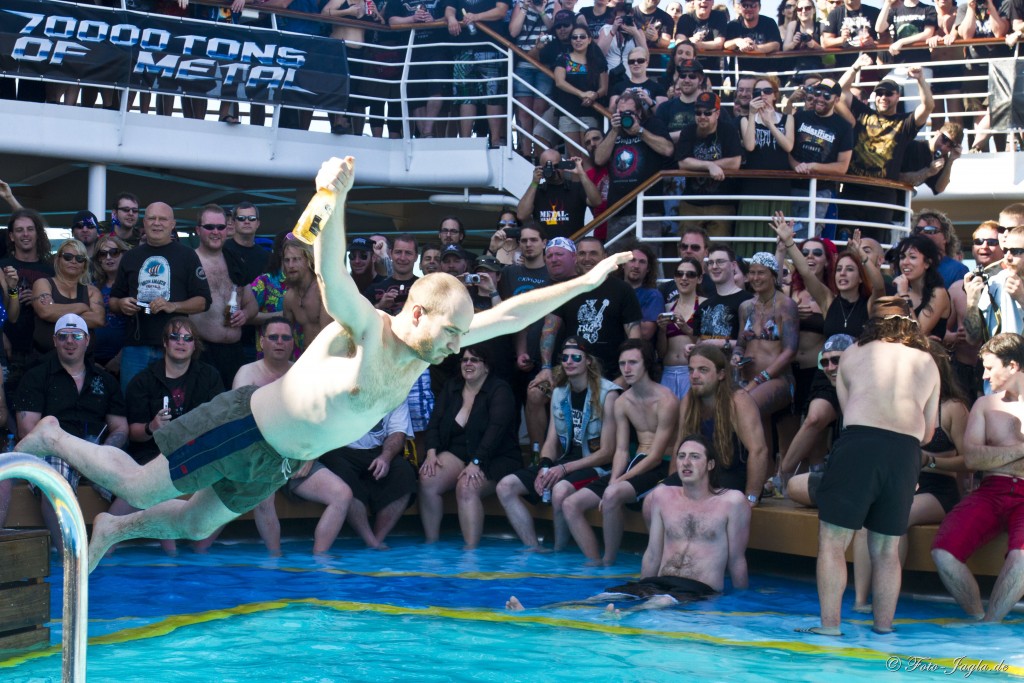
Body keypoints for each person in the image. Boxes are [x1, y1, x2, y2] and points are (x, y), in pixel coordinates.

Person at [16, 157, 631, 571]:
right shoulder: (369, 329)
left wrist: (586, 279)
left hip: (281, 457)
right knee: (137, 485)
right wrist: (335, 201)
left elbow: (517, 313)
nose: (455, 348)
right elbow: (333, 275)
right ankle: (53, 437)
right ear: (417, 315)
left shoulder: (427, 349)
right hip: (246, 426)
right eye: (449, 333)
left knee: (198, 517)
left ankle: (115, 534)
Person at [806, 296, 939, 637]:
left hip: (860, 444)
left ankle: (830, 627)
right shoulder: (928, 361)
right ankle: (883, 628)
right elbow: (928, 432)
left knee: (834, 542)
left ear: (871, 324)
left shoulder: (853, 354)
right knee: (886, 548)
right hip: (905, 452)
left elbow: (848, 413)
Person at [506, 433, 749, 611]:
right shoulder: (663, 496)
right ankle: (536, 612)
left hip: (700, 590)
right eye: (682, 456)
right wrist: (641, 588)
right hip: (659, 583)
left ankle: (623, 616)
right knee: (599, 598)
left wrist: (741, 603)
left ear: (710, 464)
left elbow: (737, 558)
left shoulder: (731, 502)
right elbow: (653, 552)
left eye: (694, 457)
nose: (686, 463)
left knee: (659, 603)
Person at [851, 338, 968, 613]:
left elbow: (971, 462)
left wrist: (932, 462)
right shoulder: (900, 403)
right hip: (900, 482)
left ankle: (885, 597)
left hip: (938, 488)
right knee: (864, 521)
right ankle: (859, 601)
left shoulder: (952, 408)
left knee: (895, 516)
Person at [15, 313, 128, 552]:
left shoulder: (105, 381)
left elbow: (120, 428)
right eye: (63, 336)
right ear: (54, 340)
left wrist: (106, 450)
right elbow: (28, 430)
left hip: (95, 452)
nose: (70, 341)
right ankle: (70, 557)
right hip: (54, 452)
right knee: (54, 486)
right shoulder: (36, 377)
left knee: (136, 487)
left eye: (77, 335)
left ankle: (104, 550)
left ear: (87, 341)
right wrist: (66, 448)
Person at [932, 333, 1024, 622]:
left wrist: (996, 454)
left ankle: (991, 625)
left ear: (1012, 366)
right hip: (990, 489)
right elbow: (972, 459)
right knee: (943, 552)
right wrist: (1020, 450)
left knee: (1022, 558)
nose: (983, 374)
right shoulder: (984, 405)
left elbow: (983, 455)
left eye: (989, 367)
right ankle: (977, 617)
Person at [496, 337, 620, 550]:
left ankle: (558, 553)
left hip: (597, 467)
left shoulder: (608, 394)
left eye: (576, 357)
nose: (569, 361)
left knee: (560, 489)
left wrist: (562, 469)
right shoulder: (560, 393)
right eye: (565, 357)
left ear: (588, 361)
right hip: (565, 463)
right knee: (505, 486)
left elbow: (608, 453)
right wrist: (545, 466)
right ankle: (534, 549)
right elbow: (552, 440)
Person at [115, 316, 224, 556]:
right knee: (153, 478)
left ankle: (197, 552)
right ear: (165, 342)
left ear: (195, 345)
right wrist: (151, 427)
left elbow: (220, 424)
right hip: (153, 455)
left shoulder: (209, 377)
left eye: (188, 338)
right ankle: (108, 541)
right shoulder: (143, 381)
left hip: (197, 455)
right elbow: (134, 433)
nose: (181, 342)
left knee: (236, 479)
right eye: (175, 337)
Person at [562, 340, 678, 565]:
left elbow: (656, 454)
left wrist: (618, 483)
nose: (627, 369)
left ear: (646, 364)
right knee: (570, 504)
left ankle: (608, 560)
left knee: (612, 494)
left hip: (660, 463)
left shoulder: (666, 400)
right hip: (634, 461)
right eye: (623, 364)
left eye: (633, 363)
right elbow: (622, 449)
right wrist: (614, 478)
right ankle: (594, 561)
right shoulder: (622, 401)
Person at [418, 346, 522, 549]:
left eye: (474, 360)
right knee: (427, 478)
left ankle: (471, 551)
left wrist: (477, 462)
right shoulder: (452, 387)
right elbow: (435, 422)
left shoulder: (500, 390)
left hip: (495, 457)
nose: (468, 364)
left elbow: (495, 432)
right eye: (464, 360)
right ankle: (431, 544)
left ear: (486, 367)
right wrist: (431, 452)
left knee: (466, 486)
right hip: (459, 453)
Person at [109, 201, 212, 391]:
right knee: (132, 404)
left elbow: (204, 301)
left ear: (172, 224)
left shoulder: (187, 255)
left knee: (173, 406)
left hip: (175, 346)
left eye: (162, 219)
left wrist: (173, 306)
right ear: (144, 223)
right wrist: (122, 303)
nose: (157, 223)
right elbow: (113, 300)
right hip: (135, 346)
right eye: (152, 218)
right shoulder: (130, 256)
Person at [837, 57, 934, 237]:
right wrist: (855, 66)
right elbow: (839, 90)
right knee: (846, 244)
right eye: (879, 93)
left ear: (897, 96)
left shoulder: (904, 123)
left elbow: (928, 106)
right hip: (853, 191)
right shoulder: (863, 112)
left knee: (874, 246)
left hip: (882, 195)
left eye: (888, 93)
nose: (883, 97)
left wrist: (920, 79)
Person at [673, 344, 770, 501]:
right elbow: (679, 445)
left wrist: (751, 498)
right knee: (658, 496)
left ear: (721, 374)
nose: (694, 375)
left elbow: (758, 451)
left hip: (732, 475)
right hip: (699, 473)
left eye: (703, 370)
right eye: (691, 370)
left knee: (704, 500)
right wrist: (673, 488)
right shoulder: (688, 400)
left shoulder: (738, 400)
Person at [318, 402, 418, 550]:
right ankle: (370, 540)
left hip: (379, 449)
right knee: (341, 475)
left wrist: (386, 457)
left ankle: (378, 538)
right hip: (340, 448)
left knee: (404, 474)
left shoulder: (395, 390)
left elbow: (398, 433)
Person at [593, 92, 675, 241]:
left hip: (648, 208)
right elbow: (599, 159)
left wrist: (640, 131)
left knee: (647, 258)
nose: (624, 116)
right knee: (616, 260)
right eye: (620, 112)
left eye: (629, 113)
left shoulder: (653, 124)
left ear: (638, 112)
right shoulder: (614, 130)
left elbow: (668, 150)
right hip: (617, 208)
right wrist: (614, 131)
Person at [781, 333, 854, 498]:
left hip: (865, 476)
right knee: (795, 487)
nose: (829, 367)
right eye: (824, 362)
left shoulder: (870, 393)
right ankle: (783, 475)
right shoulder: (839, 392)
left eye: (836, 360)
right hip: (843, 477)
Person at [733, 252, 799, 424]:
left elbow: (790, 351)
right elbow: (741, 344)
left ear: (773, 275)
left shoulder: (785, 305)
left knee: (747, 406)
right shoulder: (745, 307)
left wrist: (757, 381)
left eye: (761, 272)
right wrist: (736, 356)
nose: (755, 277)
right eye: (752, 273)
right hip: (746, 379)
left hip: (778, 379)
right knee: (758, 431)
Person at [788, 78, 853, 239]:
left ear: (836, 100)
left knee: (807, 239)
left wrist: (813, 166)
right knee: (785, 235)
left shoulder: (844, 127)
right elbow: (786, 147)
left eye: (826, 96)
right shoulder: (800, 117)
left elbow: (842, 167)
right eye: (818, 93)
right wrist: (796, 165)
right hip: (791, 186)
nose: (820, 98)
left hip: (820, 191)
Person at [736, 74, 794, 255]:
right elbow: (750, 146)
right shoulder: (745, 119)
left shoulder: (787, 118)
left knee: (776, 238)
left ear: (775, 95)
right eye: (758, 92)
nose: (763, 95)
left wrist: (770, 123)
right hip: (753, 187)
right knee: (751, 237)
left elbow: (788, 145)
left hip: (779, 187)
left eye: (767, 91)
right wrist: (753, 115)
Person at [674, 92, 742, 238]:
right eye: (698, 112)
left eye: (707, 112)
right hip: (691, 202)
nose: (702, 116)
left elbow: (735, 162)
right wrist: (709, 166)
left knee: (720, 250)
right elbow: (682, 162)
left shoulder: (728, 130)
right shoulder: (688, 130)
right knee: (687, 249)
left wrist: (706, 165)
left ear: (717, 114)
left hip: (721, 203)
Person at [1, 209, 54, 392]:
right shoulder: (2, 266)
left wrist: (39, 299)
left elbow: (61, 306)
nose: (25, 234)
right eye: (20, 230)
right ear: (11, 236)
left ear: (37, 234)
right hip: (9, 348)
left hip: (43, 350)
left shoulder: (51, 270)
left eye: (30, 229)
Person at [31, 239, 105, 354]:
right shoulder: (43, 283)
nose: (74, 261)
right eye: (68, 257)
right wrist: (82, 307)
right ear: (58, 259)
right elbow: (46, 312)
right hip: (45, 361)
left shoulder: (92, 291)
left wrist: (56, 310)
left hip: (83, 361)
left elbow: (98, 319)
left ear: (84, 264)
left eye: (79, 258)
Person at [516, 150, 601, 239]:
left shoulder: (576, 188)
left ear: (562, 165)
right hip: (546, 249)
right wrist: (534, 182)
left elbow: (597, 201)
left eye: (556, 166)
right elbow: (522, 215)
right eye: (548, 167)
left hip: (573, 247)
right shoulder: (536, 191)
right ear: (541, 168)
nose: (553, 170)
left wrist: (581, 173)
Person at [657, 256, 706, 399]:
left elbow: (709, 344)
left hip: (693, 372)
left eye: (690, 274)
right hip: (668, 372)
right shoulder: (667, 308)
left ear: (699, 279)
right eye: (680, 274)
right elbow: (661, 353)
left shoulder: (705, 305)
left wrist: (687, 329)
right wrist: (661, 331)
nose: (684, 278)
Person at [552, 26, 609, 148]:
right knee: (573, 155)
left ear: (589, 40)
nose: (578, 40)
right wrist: (581, 94)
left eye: (582, 37)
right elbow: (559, 82)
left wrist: (595, 95)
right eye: (574, 37)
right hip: (568, 112)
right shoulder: (563, 59)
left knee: (589, 153)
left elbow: (603, 88)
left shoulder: (598, 61)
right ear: (571, 41)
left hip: (590, 111)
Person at [890, 234, 952, 339]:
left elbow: (917, 334)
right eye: (902, 257)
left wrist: (904, 296)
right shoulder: (900, 294)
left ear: (927, 263)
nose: (905, 262)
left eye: (912, 257)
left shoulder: (938, 293)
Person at [693, 245, 753, 349]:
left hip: (734, 363)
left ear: (733, 265)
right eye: (711, 262)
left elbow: (755, 343)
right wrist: (693, 348)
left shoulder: (748, 300)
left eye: (720, 261)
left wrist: (720, 343)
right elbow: (700, 342)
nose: (714, 266)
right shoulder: (704, 305)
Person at [89, 235, 129, 372]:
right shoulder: (92, 288)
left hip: (125, 359)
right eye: (103, 254)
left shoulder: (132, 287)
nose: (108, 257)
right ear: (98, 259)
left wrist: (119, 359)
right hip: (93, 358)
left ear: (123, 255)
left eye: (114, 252)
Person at [898, 124, 963, 197]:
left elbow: (939, 189)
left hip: (904, 199)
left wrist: (950, 161)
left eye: (950, 145)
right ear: (937, 133)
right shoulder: (913, 146)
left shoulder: (941, 159)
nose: (944, 147)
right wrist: (929, 172)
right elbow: (900, 178)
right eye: (944, 139)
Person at [911, 209, 969, 288]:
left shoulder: (958, 270)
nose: (922, 233)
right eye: (918, 230)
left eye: (930, 230)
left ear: (945, 237)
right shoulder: (908, 266)